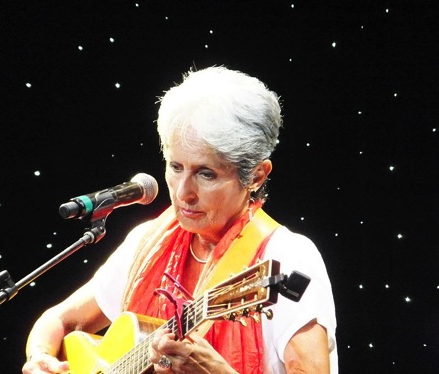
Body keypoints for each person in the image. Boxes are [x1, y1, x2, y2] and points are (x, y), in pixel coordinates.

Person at [22, 66, 337, 374]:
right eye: (175, 167)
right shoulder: (150, 242)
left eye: (206, 173)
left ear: (256, 176)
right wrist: (39, 357)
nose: (184, 193)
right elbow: (60, 321)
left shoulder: (286, 258)